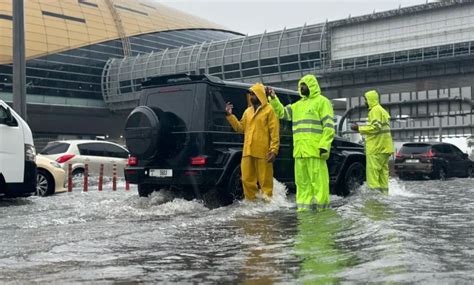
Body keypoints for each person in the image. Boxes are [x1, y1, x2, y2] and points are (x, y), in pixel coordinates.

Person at [268, 74, 335, 211]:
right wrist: (274, 98)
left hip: (315, 151)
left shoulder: (322, 102)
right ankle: (304, 210)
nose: (301, 87)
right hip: (299, 152)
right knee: (302, 184)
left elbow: (329, 126)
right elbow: (282, 113)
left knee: (319, 183)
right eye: (300, 85)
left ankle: (323, 212)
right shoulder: (297, 106)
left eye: (304, 85)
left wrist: (324, 145)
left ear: (312, 86)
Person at [225, 83, 280, 201]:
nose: (251, 96)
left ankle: (268, 204)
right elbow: (240, 128)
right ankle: (251, 203)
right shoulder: (247, 112)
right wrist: (230, 116)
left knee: (265, 181)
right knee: (246, 179)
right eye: (250, 94)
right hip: (248, 151)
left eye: (253, 94)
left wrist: (274, 150)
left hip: (263, 152)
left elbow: (274, 131)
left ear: (259, 95)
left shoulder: (269, 110)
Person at [351, 90, 394, 194]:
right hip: (385, 148)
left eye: (366, 100)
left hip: (376, 148)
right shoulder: (382, 111)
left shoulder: (374, 110)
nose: (365, 102)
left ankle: (374, 201)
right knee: (383, 176)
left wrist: (359, 128)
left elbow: (375, 127)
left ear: (370, 100)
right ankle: (384, 197)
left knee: (373, 176)